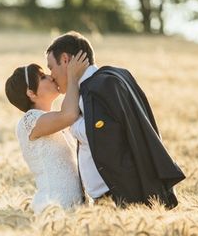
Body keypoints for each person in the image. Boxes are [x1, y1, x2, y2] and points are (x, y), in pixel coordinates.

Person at [45, 31, 186, 208]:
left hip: (119, 199)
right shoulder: (113, 77)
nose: (51, 76)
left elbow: (102, 136)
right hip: (117, 197)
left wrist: (70, 122)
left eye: (51, 67)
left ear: (65, 60)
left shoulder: (100, 87)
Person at [5, 52, 90, 213]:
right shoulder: (29, 122)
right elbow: (70, 114)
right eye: (43, 77)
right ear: (31, 93)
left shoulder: (54, 120)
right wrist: (72, 77)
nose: (51, 77)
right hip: (53, 207)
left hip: (76, 209)